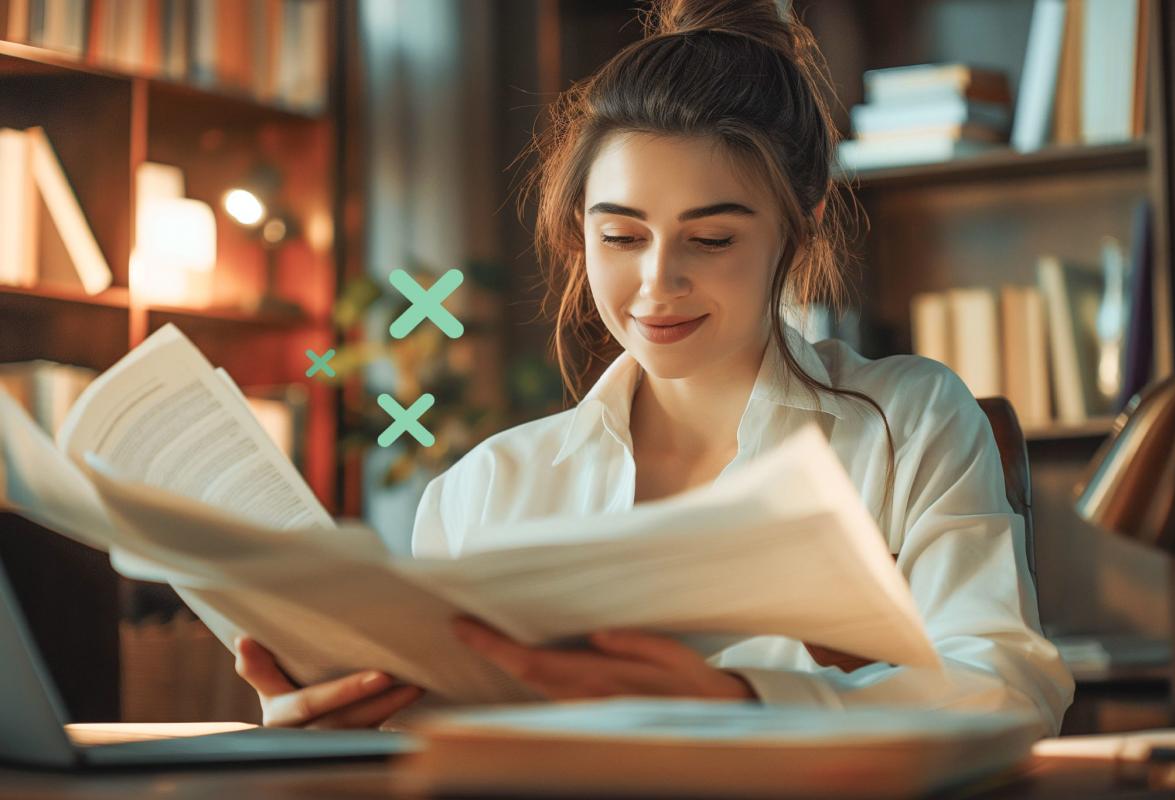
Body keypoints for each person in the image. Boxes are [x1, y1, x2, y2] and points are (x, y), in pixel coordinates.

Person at [234, 0, 1075, 735]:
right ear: (579, 229)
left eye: (710, 239)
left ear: (802, 223)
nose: (657, 283)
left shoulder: (907, 423)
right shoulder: (484, 490)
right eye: (621, 236)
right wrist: (331, 721)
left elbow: (1007, 684)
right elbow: (447, 744)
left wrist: (743, 701)